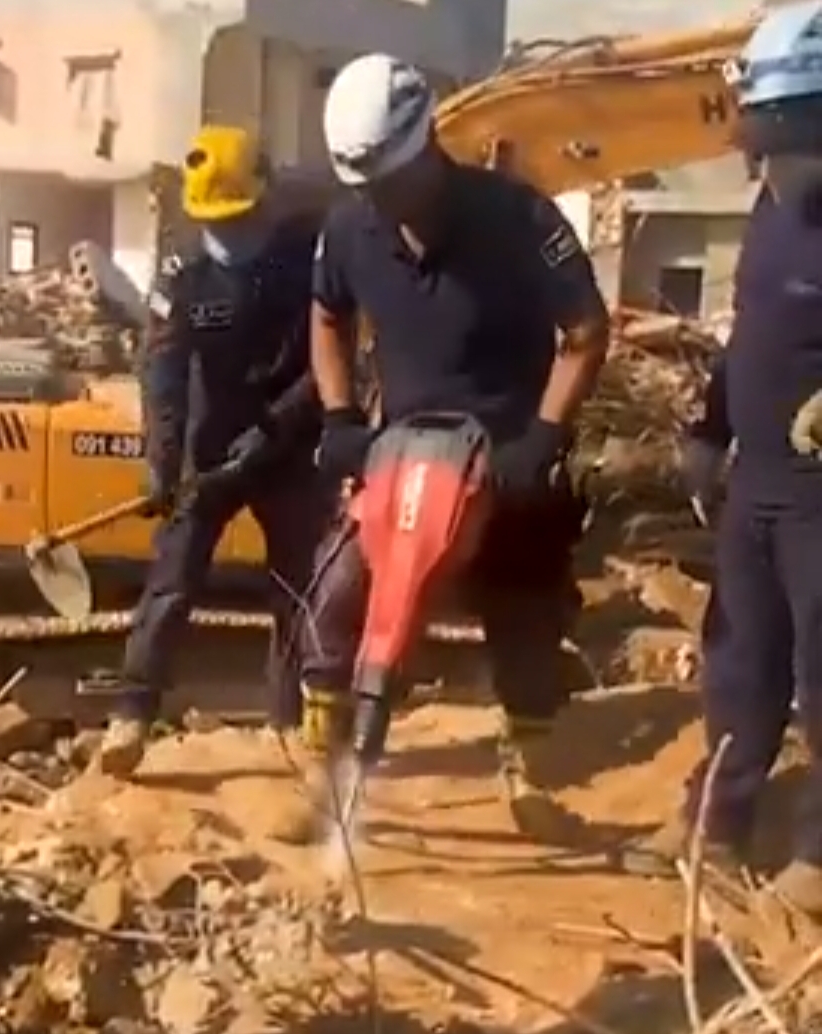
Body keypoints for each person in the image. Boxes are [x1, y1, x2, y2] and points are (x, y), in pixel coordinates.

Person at [297, 53, 611, 836]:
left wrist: (543, 436)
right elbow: (327, 315)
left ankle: (531, 778)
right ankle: (324, 770)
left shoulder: (521, 219)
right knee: (336, 595)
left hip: (504, 452)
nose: (384, 202)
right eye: (369, 189)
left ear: (427, 145)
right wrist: (339, 418)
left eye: (393, 184)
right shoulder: (350, 229)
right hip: (398, 453)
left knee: (526, 615)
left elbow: (585, 330)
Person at [621, 0, 822, 917]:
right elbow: (750, 338)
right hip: (759, 484)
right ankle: (718, 825)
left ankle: (816, 864)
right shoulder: (770, 207)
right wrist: (709, 429)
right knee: (740, 663)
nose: (772, 166)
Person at [98, 125, 326, 777]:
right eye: (216, 221)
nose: (230, 232)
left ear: (263, 203)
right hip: (211, 446)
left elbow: (329, 363)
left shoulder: (305, 264)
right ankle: (131, 716)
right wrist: (162, 461)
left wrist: (277, 430)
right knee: (171, 584)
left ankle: (290, 730)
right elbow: (163, 371)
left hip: (287, 444)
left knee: (296, 593)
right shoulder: (185, 276)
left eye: (240, 217)